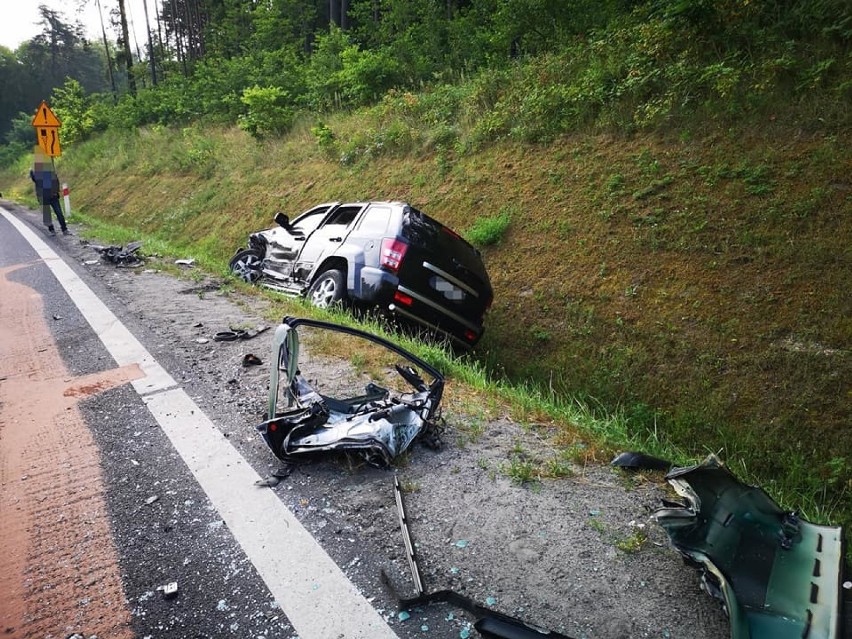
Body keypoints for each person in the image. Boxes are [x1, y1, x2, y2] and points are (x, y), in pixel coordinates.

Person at [29, 151, 69, 235]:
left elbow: (56, 182)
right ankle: (52, 230)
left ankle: (64, 229)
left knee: (59, 213)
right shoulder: (36, 172)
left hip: (53, 196)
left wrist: (55, 191)